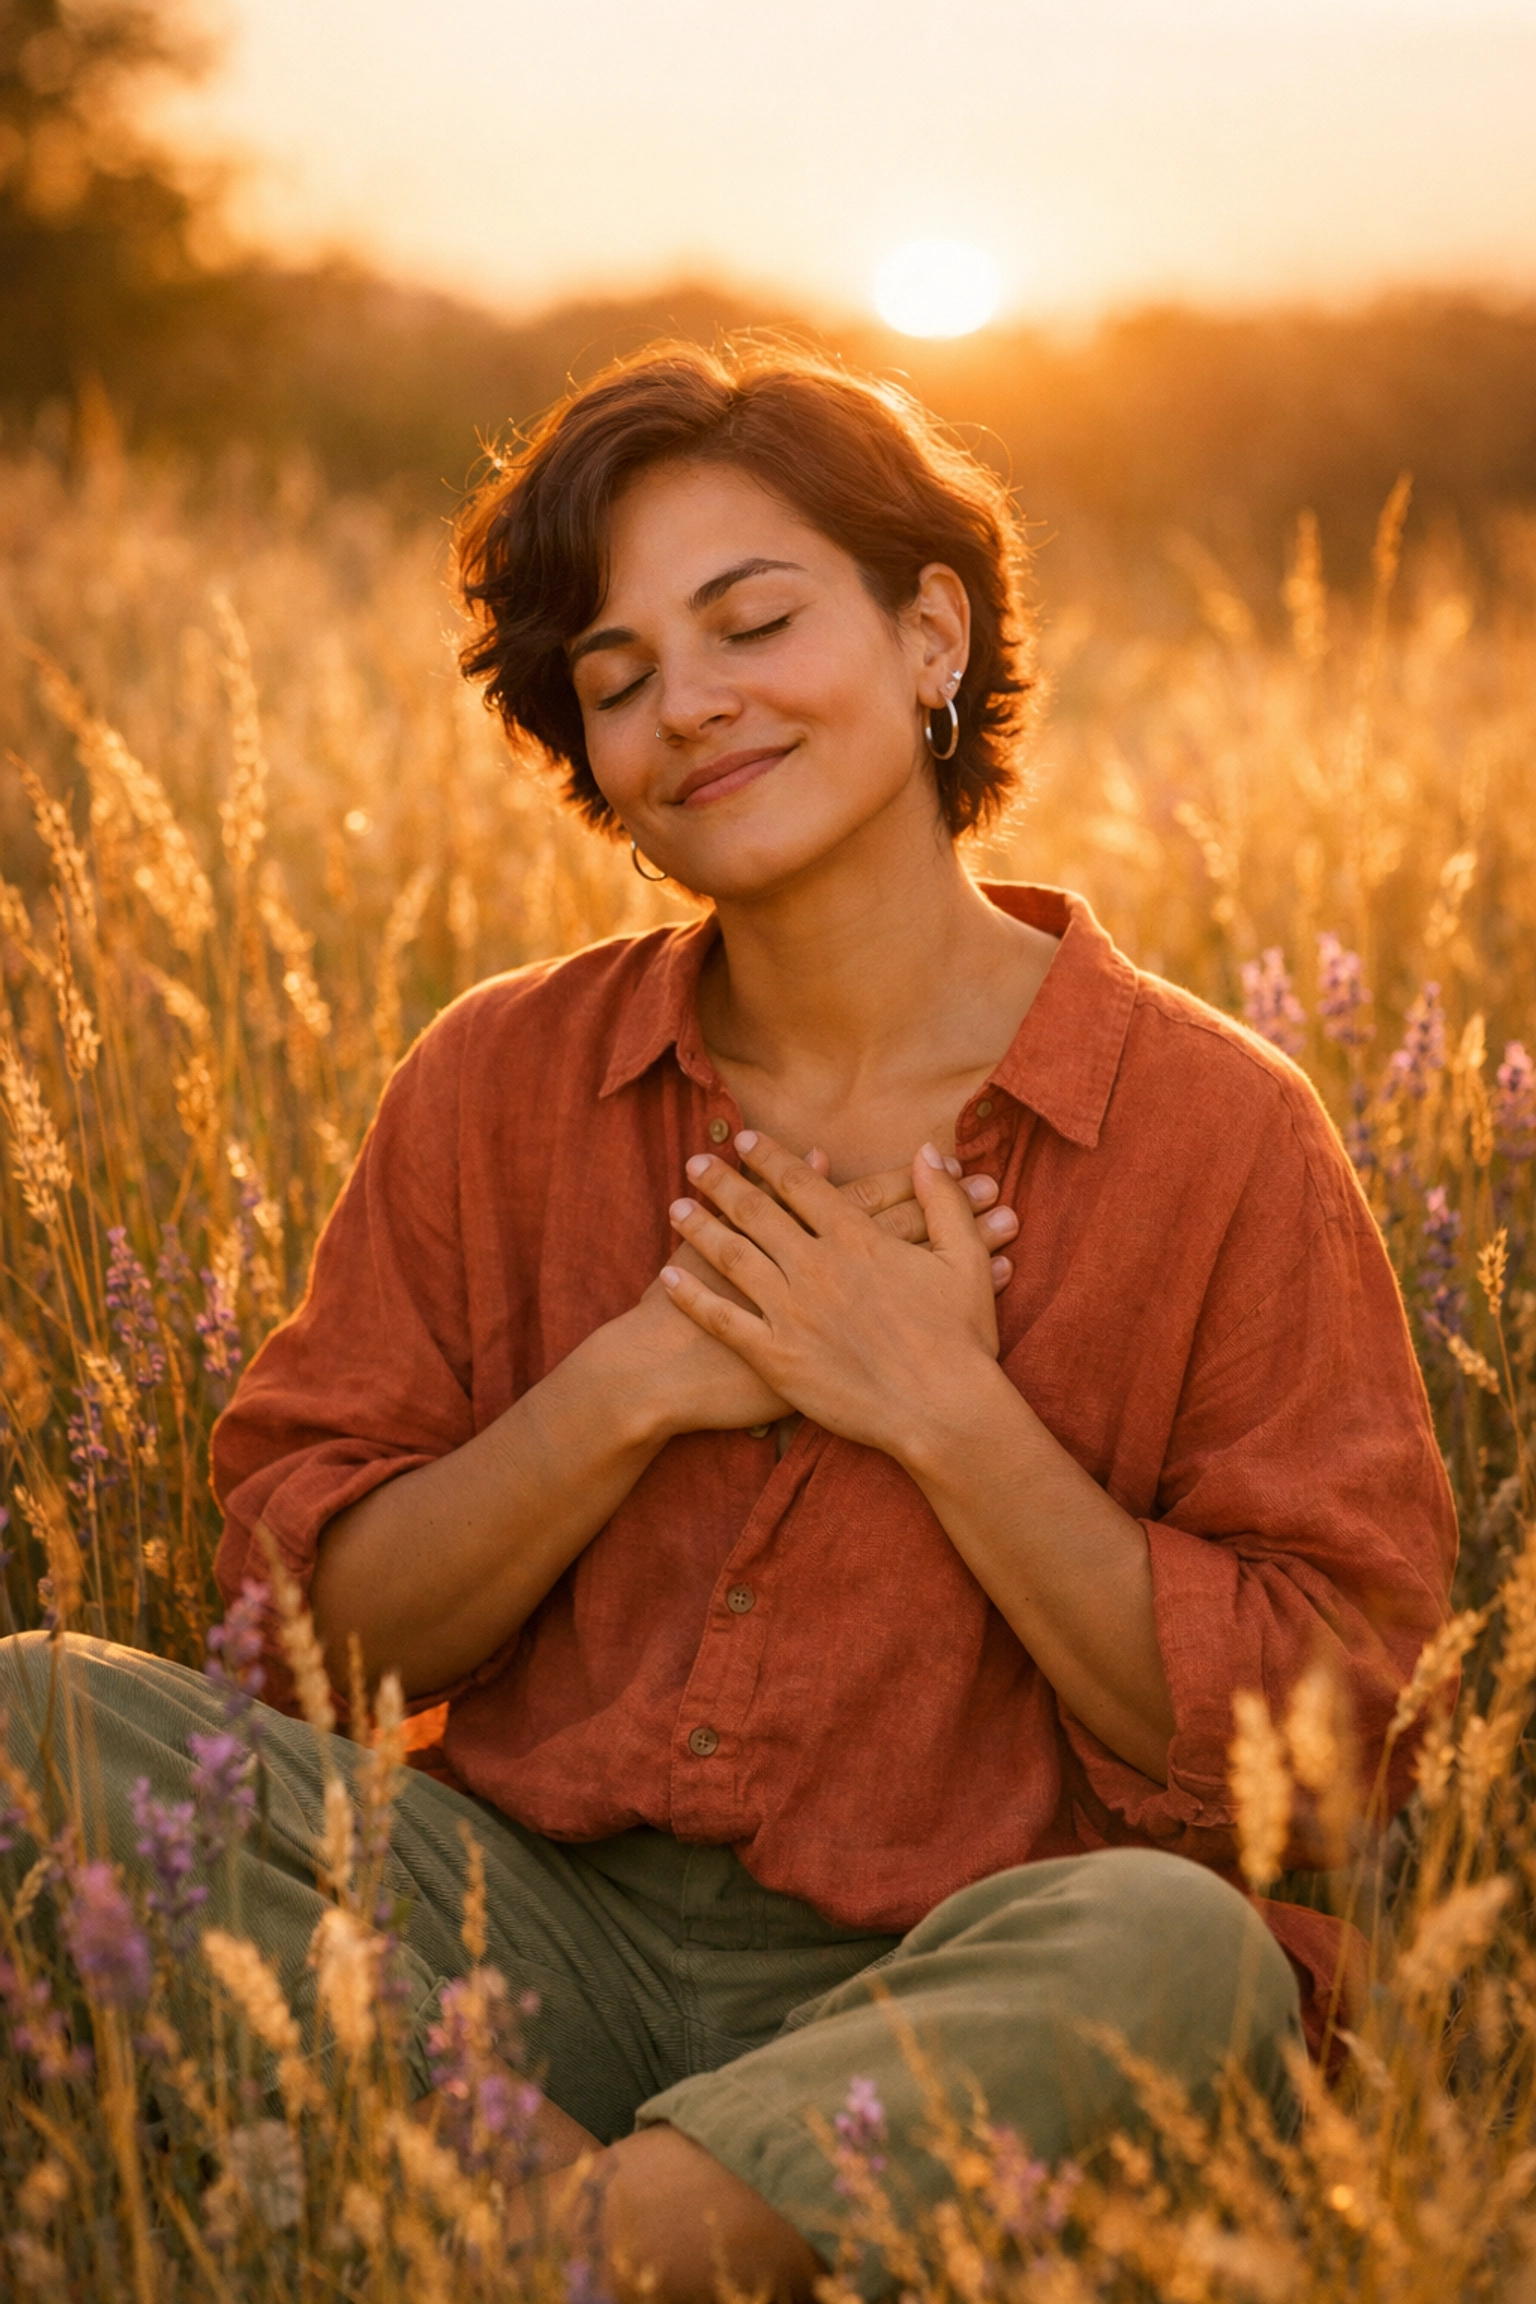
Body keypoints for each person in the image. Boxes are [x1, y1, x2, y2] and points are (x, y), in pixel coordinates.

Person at [2, 342, 1456, 2299]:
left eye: (750, 621)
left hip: (953, 1985)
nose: (688, 705)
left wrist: (944, 1405)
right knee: (31, 1712)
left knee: (1184, 1953)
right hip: (522, 1941)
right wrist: (635, 1382)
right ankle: (655, 2232)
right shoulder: (498, 1080)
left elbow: (1344, 1732)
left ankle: (520, 2239)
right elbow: (291, 1633)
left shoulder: (1215, 1132)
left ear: (930, 627)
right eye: (613, 682)